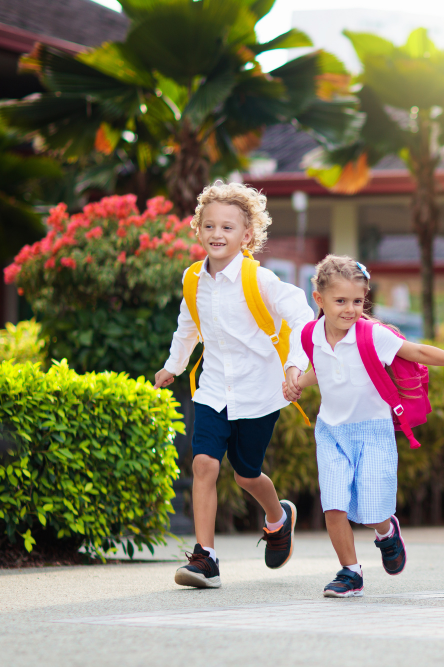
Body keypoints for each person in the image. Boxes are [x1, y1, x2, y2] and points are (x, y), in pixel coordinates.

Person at [282, 255, 444, 598]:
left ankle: (386, 532)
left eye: (358, 301)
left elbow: (418, 352)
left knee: (374, 510)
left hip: (373, 431)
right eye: (341, 301)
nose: (350, 309)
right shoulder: (311, 335)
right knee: (334, 505)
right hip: (331, 432)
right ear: (318, 300)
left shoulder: (372, 335)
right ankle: (350, 572)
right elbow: (324, 369)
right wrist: (298, 381)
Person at [154, 181, 314, 589]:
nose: (217, 234)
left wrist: (296, 364)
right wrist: (173, 365)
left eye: (227, 227)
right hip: (211, 391)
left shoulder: (259, 280)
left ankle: (279, 518)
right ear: (199, 230)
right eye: (209, 226)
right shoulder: (194, 281)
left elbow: (301, 317)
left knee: (246, 474)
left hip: (258, 393)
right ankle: (205, 559)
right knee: (203, 464)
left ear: (247, 235)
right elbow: (187, 327)